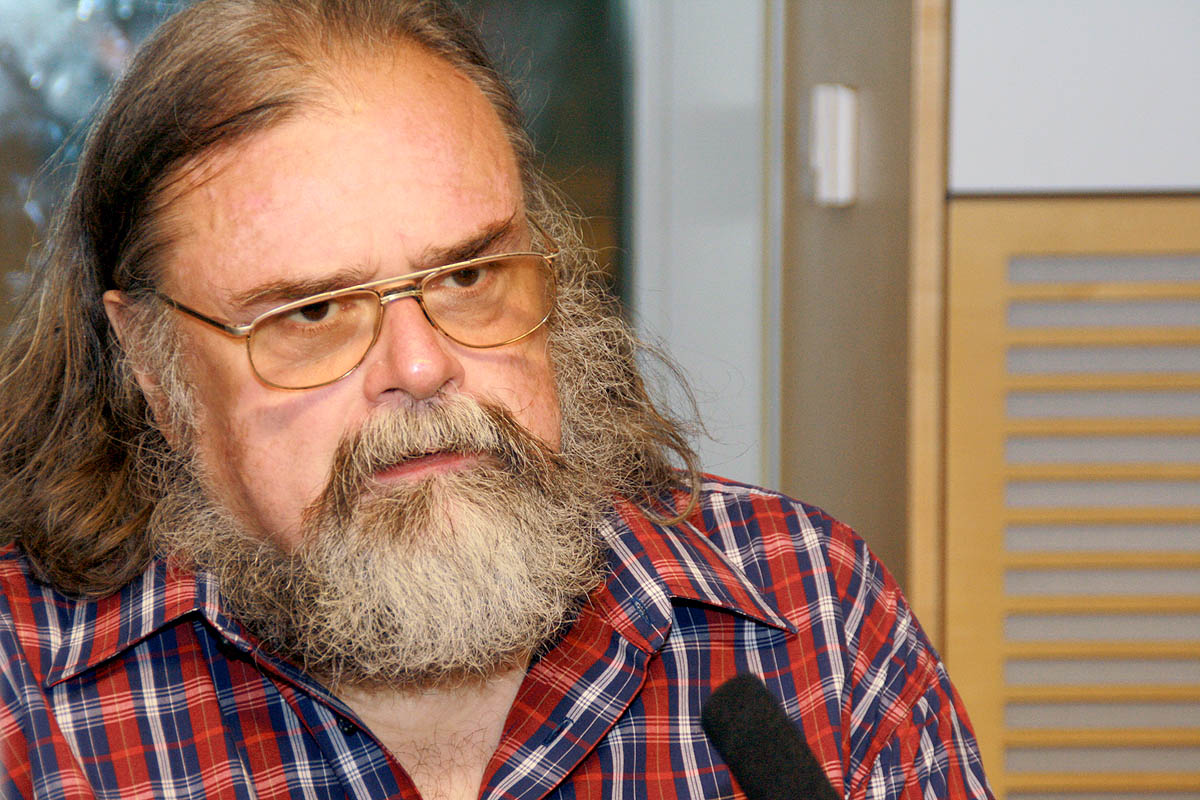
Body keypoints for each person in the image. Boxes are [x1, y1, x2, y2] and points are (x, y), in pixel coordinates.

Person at [0, 1, 992, 798]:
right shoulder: (23, 696)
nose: (422, 364)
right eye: (313, 311)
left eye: (469, 274)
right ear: (151, 360)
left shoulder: (813, 611)